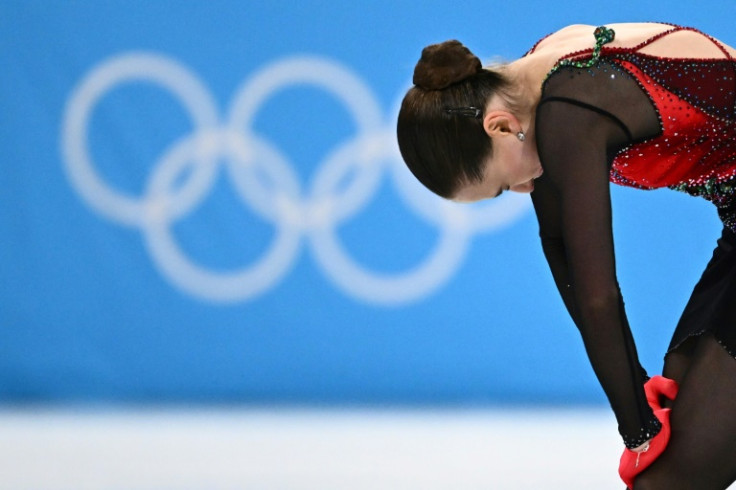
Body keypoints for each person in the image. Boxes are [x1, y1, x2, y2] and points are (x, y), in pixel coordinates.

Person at [396, 22, 736, 490]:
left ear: (499, 126)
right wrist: (635, 389)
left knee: (674, 476)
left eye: (499, 187)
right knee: (682, 409)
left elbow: (599, 295)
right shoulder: (537, 89)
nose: (520, 190)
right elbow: (559, 248)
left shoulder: (567, 113)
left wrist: (637, 431)